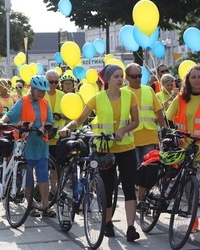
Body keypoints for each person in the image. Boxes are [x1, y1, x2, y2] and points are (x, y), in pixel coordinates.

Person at [59, 64, 140, 241]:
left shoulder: (129, 95)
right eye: (116, 76)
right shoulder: (98, 98)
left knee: (128, 188)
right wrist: (67, 127)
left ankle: (131, 228)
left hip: (126, 147)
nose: (120, 79)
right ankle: (108, 222)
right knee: (108, 188)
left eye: (122, 76)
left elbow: (136, 121)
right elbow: (80, 119)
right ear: (108, 79)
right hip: (105, 148)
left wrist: (123, 130)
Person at [0, 75, 56, 218]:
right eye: (40, 91)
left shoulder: (45, 103)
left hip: (41, 144)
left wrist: (45, 127)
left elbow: (50, 121)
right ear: (32, 89)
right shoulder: (23, 101)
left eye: (44, 91)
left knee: (43, 176)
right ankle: (31, 205)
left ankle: (46, 206)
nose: (42, 93)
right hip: (25, 143)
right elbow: (10, 115)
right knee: (27, 175)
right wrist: (1, 122)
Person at [166, 64, 200, 232]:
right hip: (185, 147)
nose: (197, 80)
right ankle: (193, 220)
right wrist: (174, 134)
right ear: (188, 80)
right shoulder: (181, 98)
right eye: (193, 77)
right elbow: (168, 118)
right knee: (189, 186)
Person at [124, 63, 166, 209]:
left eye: (139, 76)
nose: (137, 79)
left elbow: (159, 112)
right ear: (127, 77)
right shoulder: (123, 92)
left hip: (149, 136)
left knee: (148, 171)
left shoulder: (149, 90)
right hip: (130, 138)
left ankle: (141, 200)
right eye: (134, 76)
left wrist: (164, 129)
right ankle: (134, 199)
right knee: (134, 172)